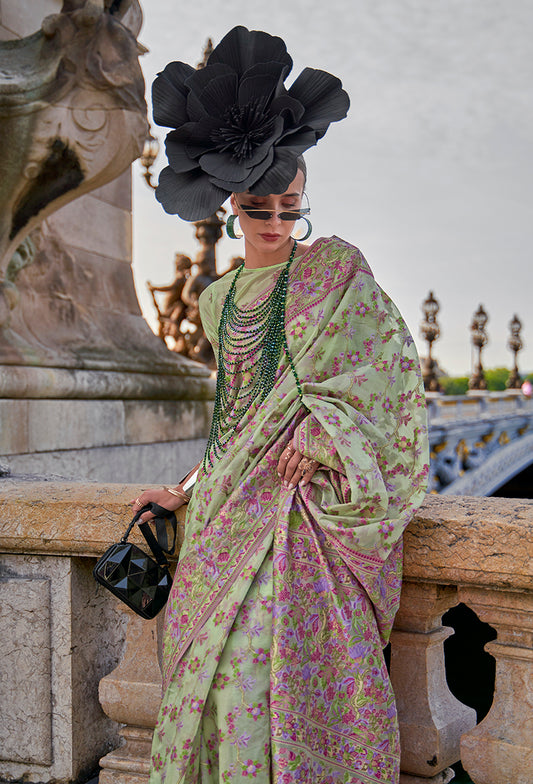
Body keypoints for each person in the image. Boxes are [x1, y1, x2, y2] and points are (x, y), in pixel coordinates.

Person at [131, 26, 429, 784]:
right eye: (258, 209)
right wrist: (184, 489)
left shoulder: (336, 271)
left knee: (276, 679)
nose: (273, 226)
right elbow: (234, 413)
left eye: (288, 210)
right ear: (231, 206)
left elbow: (392, 376)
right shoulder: (216, 299)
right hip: (226, 506)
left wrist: (327, 432)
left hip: (303, 513)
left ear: (304, 205)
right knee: (216, 683)